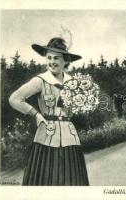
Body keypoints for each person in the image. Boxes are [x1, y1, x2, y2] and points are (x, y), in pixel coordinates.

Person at [9, 37, 89, 186]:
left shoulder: (73, 82)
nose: (52, 61)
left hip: (70, 139)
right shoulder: (40, 80)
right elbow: (14, 99)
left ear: (66, 60)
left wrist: (82, 103)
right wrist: (36, 114)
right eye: (49, 57)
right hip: (46, 139)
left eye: (56, 58)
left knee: (72, 182)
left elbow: (74, 107)